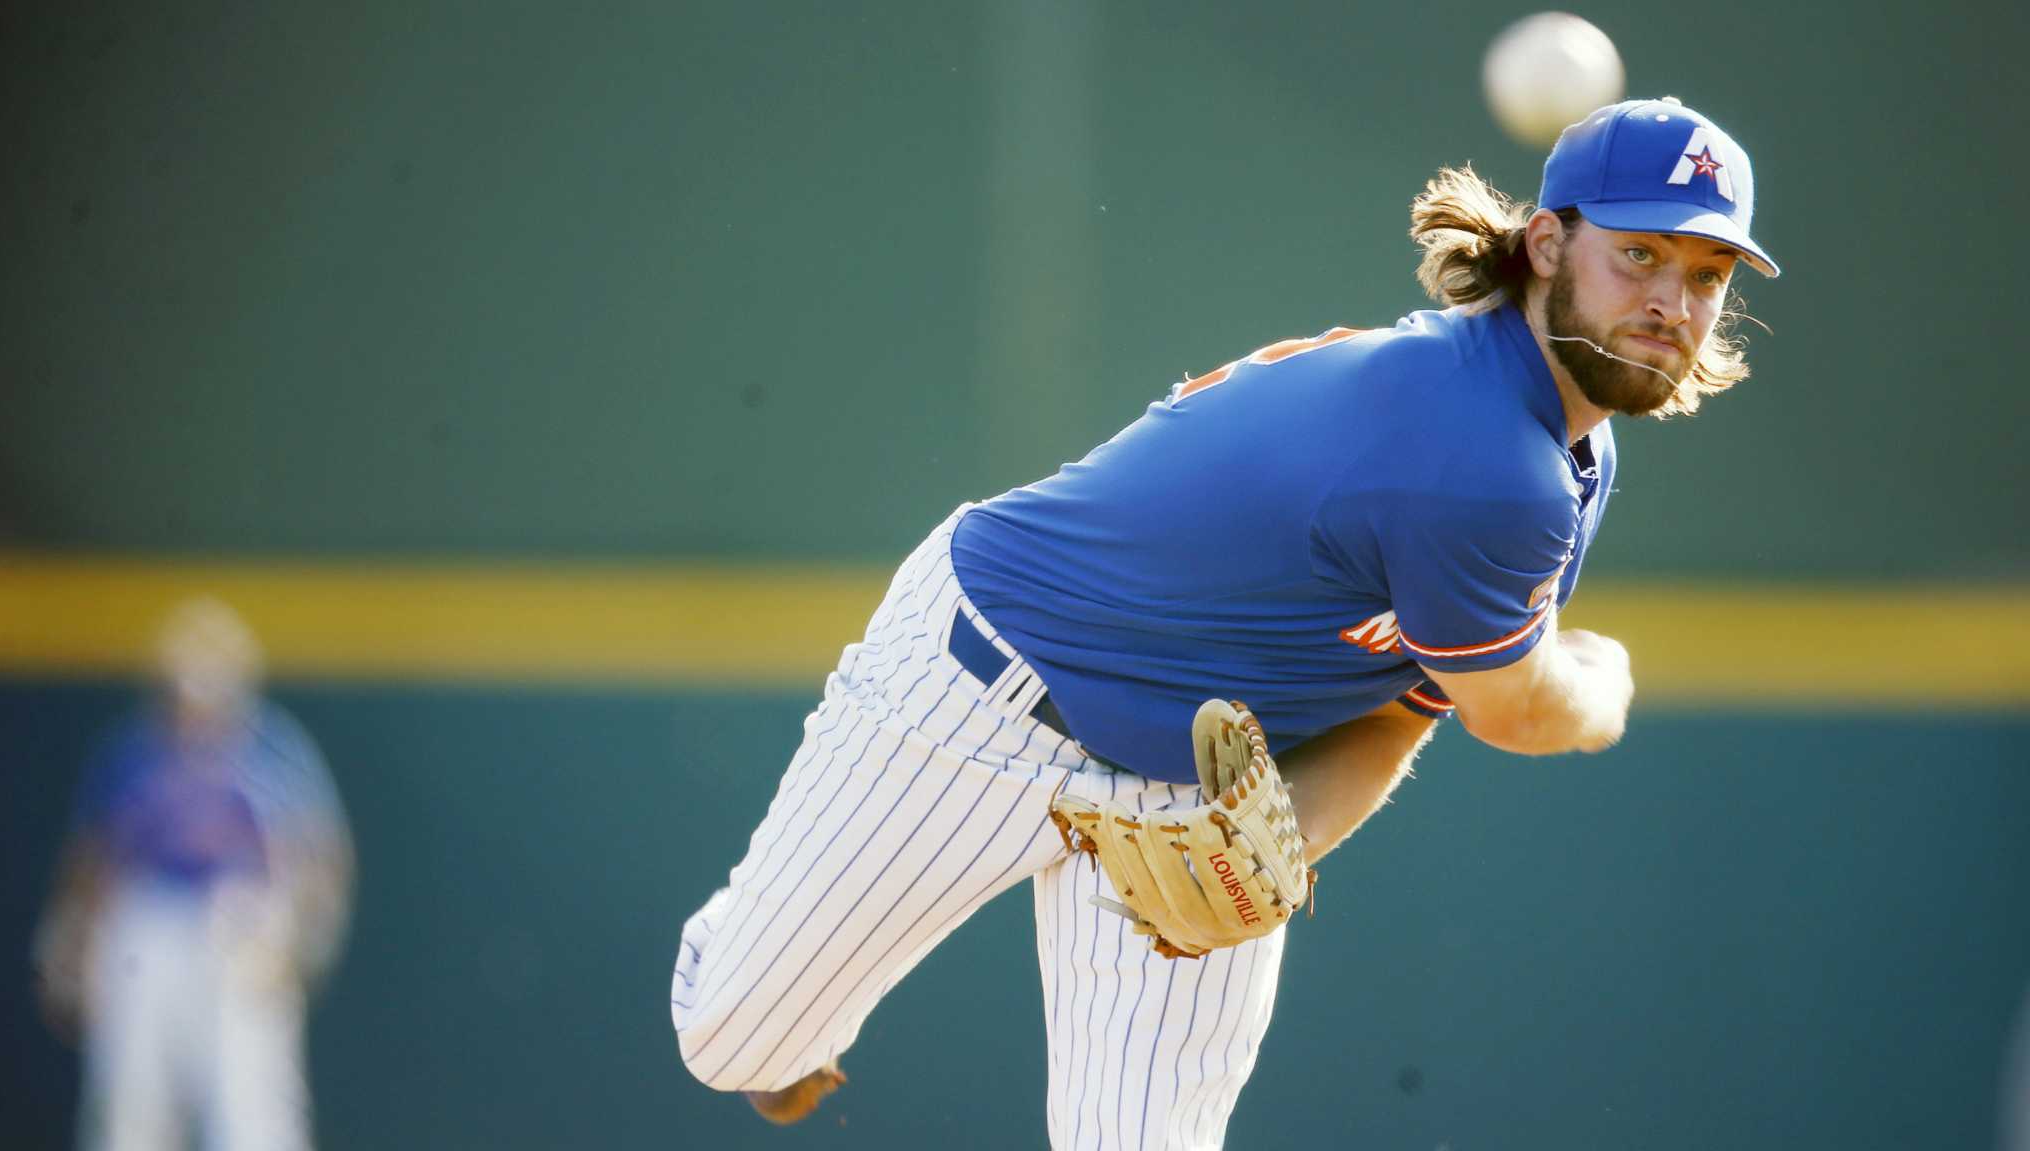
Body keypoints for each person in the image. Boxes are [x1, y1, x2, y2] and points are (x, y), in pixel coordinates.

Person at [672, 96, 1777, 1148]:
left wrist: (1269, 849)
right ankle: (749, 966)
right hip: (986, 684)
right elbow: (1517, 710)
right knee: (730, 1041)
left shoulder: (1566, 450)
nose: (1671, 302)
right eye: (1636, 254)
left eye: (1706, 272)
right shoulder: (1492, 463)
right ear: (1543, 245)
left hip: (1196, 769)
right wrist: (1599, 679)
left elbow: (1409, 703)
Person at [34, 598, 354, 1151]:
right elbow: (94, 858)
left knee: (248, 1106)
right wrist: (71, 939)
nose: (196, 698)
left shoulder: (273, 751)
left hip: (240, 925)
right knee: (131, 1105)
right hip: (145, 927)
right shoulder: (132, 753)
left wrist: (303, 943)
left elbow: (322, 858)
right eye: (184, 680)